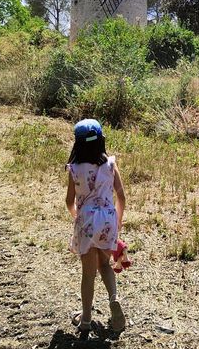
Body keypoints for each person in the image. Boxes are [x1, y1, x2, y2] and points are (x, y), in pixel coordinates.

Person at [65, 118, 127, 335]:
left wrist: (79, 219)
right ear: (101, 141)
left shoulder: (74, 169)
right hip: (107, 220)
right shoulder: (110, 164)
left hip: (87, 222)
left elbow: (69, 201)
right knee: (105, 265)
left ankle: (86, 320)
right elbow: (121, 196)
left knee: (88, 274)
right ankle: (114, 298)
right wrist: (117, 221)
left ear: (77, 144)